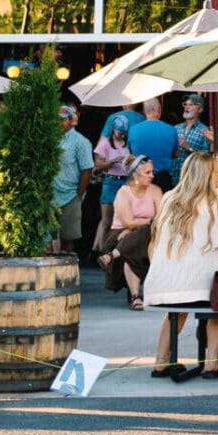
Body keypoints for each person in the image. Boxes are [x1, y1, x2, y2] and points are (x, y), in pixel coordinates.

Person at [142, 153, 218, 381]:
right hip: (199, 287)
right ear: (210, 173)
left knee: (176, 310)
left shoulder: (169, 198)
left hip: (160, 284)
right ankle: (211, 363)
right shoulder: (217, 200)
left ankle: (161, 361)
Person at [97, 156, 161, 310]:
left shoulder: (155, 190)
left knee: (142, 233)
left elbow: (161, 218)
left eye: (152, 172)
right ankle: (134, 296)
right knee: (133, 247)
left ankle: (112, 256)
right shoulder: (123, 193)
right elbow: (127, 222)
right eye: (148, 172)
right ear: (135, 175)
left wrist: (135, 227)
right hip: (119, 235)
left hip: (147, 234)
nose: (152, 175)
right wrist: (136, 225)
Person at [53, 105, 94, 254]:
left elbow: (87, 170)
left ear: (71, 120)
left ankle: (67, 271)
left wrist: (78, 195)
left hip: (70, 195)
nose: (59, 123)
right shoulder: (50, 138)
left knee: (68, 238)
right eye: (56, 119)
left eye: (63, 120)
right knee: (48, 236)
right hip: (50, 194)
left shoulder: (81, 142)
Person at [92, 116, 132, 256]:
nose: (122, 135)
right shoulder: (105, 143)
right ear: (113, 130)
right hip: (111, 181)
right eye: (119, 132)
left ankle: (114, 252)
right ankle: (102, 254)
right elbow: (98, 165)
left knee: (122, 219)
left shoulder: (128, 143)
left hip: (125, 181)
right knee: (106, 221)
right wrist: (113, 161)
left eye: (124, 132)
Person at [127, 97, 177, 191]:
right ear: (159, 109)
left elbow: (131, 153)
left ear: (144, 111)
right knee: (161, 205)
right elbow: (175, 154)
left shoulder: (133, 130)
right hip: (162, 178)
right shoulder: (171, 129)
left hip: (140, 176)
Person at [171, 93, 213, 185]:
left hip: (193, 181)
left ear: (200, 109)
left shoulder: (205, 131)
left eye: (191, 105)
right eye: (185, 104)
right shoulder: (176, 128)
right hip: (174, 180)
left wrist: (189, 148)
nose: (187, 107)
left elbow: (206, 159)